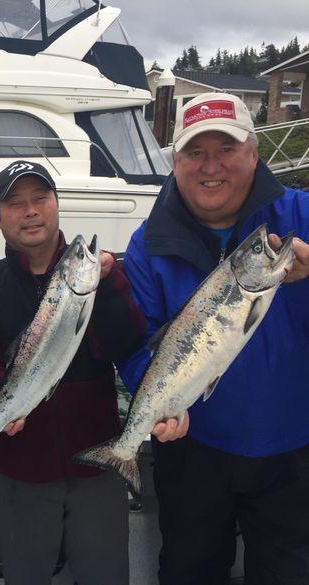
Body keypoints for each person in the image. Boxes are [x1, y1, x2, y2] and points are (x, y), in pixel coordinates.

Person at [117, 92, 309, 584]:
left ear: (254, 153)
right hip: (193, 448)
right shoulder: (147, 244)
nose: (210, 167)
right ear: (175, 161)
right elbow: (135, 347)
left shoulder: (301, 216)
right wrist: (160, 405)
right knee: (189, 573)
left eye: (226, 148)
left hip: (294, 446)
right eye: (195, 153)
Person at [0, 160, 145, 585]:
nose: (30, 211)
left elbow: (127, 343)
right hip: (19, 468)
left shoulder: (104, 277)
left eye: (40, 199)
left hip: (96, 462)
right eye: (16, 204)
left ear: (57, 205)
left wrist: (110, 291)